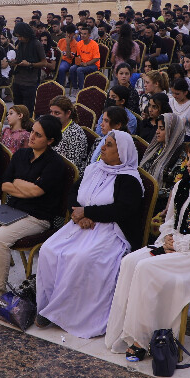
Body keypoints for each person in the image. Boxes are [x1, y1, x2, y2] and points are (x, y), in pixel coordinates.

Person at [106, 135, 190, 361]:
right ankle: (125, 330)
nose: (187, 164)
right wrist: (168, 239)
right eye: (187, 158)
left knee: (145, 268)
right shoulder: (182, 185)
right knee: (129, 261)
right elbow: (170, 221)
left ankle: (143, 338)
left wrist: (180, 243)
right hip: (172, 244)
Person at [35, 131, 146, 338]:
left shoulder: (129, 179)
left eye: (109, 145)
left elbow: (123, 210)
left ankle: (70, 314)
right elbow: (72, 194)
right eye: (104, 143)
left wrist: (88, 212)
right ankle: (49, 305)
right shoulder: (94, 168)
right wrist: (78, 215)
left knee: (82, 258)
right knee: (49, 250)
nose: (103, 147)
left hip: (111, 231)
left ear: (122, 152)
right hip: (79, 226)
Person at [0, 115, 67, 313]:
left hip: (38, 216)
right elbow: (5, 185)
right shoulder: (21, 155)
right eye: (32, 131)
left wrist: (19, 184)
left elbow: (37, 192)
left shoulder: (55, 163)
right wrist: (26, 186)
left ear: (50, 140)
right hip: (11, 209)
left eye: (38, 135)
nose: (31, 136)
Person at [140, 113, 187, 211]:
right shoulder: (155, 148)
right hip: (144, 194)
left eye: (161, 129)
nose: (157, 132)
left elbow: (176, 188)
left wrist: (151, 191)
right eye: (157, 128)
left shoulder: (181, 157)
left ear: (172, 131)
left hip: (162, 203)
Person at [48, 95, 89, 174]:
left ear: (68, 113)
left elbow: (72, 166)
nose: (52, 116)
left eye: (57, 113)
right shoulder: (53, 126)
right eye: (51, 112)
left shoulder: (76, 134)